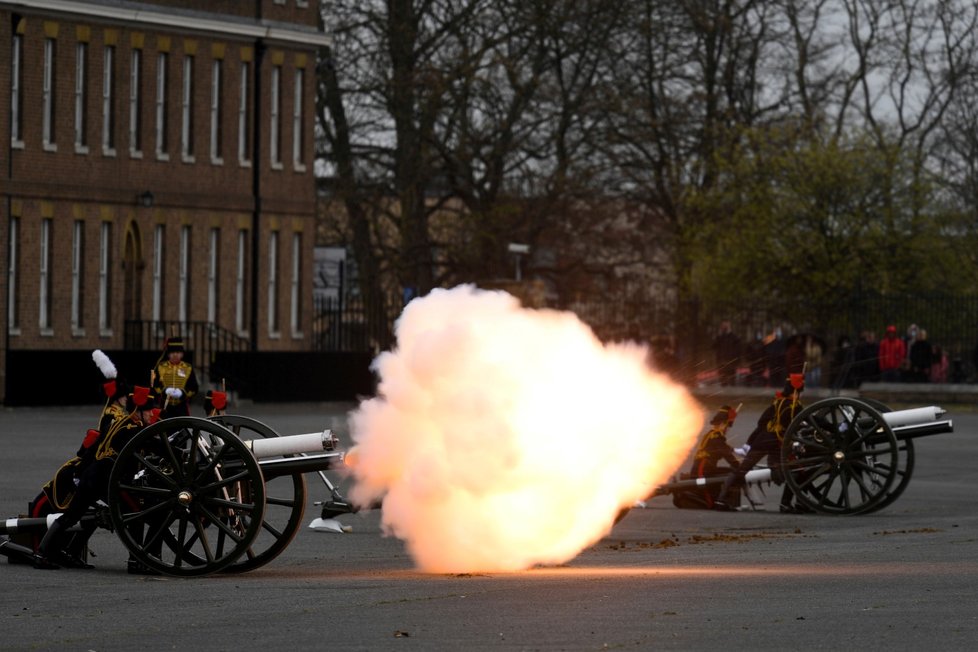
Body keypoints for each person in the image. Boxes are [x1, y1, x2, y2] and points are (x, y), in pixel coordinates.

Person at [33, 386, 159, 570]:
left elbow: (94, 447)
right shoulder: (133, 429)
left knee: (72, 516)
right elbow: (150, 444)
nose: (151, 413)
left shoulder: (119, 422)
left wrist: (81, 472)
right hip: (106, 479)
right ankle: (136, 561)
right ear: (137, 410)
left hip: (93, 475)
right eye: (148, 410)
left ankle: (45, 554)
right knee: (135, 513)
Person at [713, 374, 805, 512]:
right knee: (794, 472)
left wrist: (763, 434)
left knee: (742, 470)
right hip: (776, 444)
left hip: (762, 441)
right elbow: (802, 422)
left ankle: (721, 500)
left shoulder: (776, 403)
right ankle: (785, 504)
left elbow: (761, 422)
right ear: (796, 392)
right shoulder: (794, 407)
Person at [673, 405, 741, 509]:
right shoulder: (717, 436)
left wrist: (736, 450)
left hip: (706, 467)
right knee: (732, 473)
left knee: (729, 471)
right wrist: (739, 466)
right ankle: (720, 501)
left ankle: (726, 500)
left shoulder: (712, 434)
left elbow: (724, 448)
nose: (728, 429)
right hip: (703, 469)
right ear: (723, 424)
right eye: (727, 426)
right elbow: (726, 454)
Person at [153, 337, 199, 418]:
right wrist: (164, 391)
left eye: (177, 352)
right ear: (168, 354)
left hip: (182, 405)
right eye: (172, 352)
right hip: (165, 405)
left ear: (182, 354)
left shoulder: (188, 367)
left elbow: (194, 387)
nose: (175, 354)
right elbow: (155, 384)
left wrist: (182, 392)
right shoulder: (161, 367)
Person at [713, 321, 742, 386]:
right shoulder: (720, 337)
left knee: (732, 381)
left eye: (726, 326)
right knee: (723, 382)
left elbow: (738, 351)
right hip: (722, 363)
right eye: (723, 326)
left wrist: (737, 361)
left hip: (731, 363)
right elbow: (714, 346)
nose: (724, 327)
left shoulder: (734, 337)